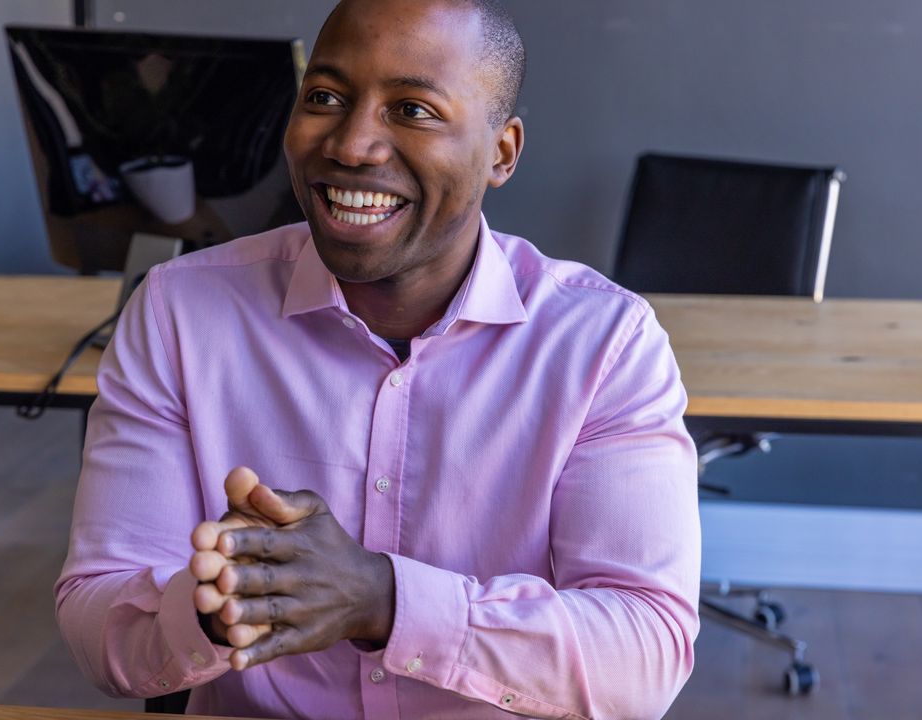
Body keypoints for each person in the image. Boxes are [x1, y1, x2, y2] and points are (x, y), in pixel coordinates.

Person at [55, 0, 701, 718]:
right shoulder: (179, 311)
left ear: (501, 153)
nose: (352, 145)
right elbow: (96, 624)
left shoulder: (603, 343)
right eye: (324, 98)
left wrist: (384, 599)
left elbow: (645, 654)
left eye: (413, 110)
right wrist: (221, 608)